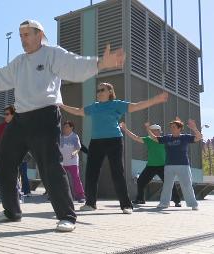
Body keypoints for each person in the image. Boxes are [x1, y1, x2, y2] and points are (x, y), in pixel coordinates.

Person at [0, 19, 124, 232]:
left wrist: (100, 63)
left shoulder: (52, 54)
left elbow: (75, 65)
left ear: (39, 34)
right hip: (20, 119)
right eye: (20, 35)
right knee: (5, 163)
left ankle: (67, 216)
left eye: (26, 34)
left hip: (45, 116)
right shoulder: (19, 62)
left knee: (50, 166)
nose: (23, 39)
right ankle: (11, 211)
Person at [60, 82, 168, 214]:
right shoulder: (94, 107)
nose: (99, 92)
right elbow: (78, 111)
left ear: (110, 92)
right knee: (91, 173)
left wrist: (155, 100)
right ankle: (90, 203)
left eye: (102, 90)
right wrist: (61, 105)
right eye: (98, 90)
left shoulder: (117, 104)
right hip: (96, 142)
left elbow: (136, 106)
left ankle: (126, 205)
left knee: (117, 173)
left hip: (114, 141)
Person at [119, 122, 181, 207]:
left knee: (170, 183)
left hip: (163, 166)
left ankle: (177, 201)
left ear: (160, 132)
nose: (154, 132)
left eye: (156, 131)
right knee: (140, 181)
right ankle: (140, 199)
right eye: (153, 131)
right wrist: (125, 129)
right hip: (151, 166)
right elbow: (135, 138)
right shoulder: (148, 139)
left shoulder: (164, 140)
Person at [146, 118, 201, 210]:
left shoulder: (185, 137)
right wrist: (148, 129)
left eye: (174, 127)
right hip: (169, 165)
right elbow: (155, 138)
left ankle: (193, 204)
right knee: (167, 185)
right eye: (171, 127)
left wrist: (194, 128)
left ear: (179, 128)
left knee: (187, 185)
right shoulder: (167, 138)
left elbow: (198, 137)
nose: (172, 128)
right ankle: (164, 203)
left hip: (183, 165)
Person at [59, 121, 85, 203]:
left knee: (76, 178)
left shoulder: (74, 136)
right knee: (61, 179)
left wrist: (74, 152)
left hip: (73, 162)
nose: (65, 128)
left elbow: (78, 147)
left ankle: (80, 196)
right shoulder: (61, 137)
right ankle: (62, 195)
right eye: (64, 127)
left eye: (67, 127)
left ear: (71, 128)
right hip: (63, 162)